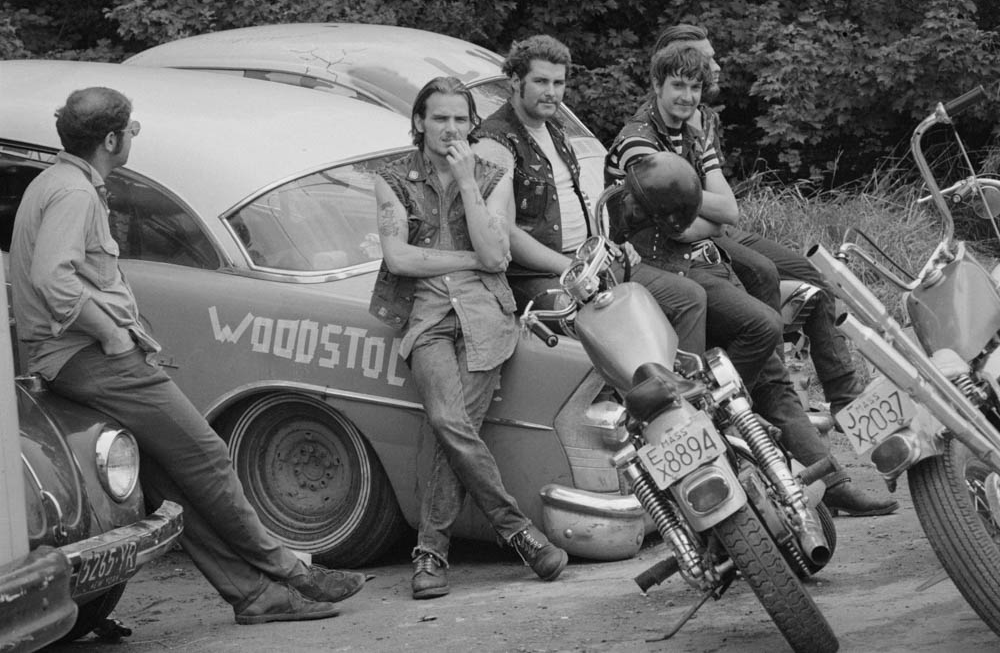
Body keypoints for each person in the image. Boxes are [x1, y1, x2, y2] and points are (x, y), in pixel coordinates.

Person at [9, 87, 366, 625]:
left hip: (72, 360)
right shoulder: (73, 194)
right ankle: (292, 570)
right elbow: (53, 279)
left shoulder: (56, 183)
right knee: (207, 457)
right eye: (130, 129)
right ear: (111, 139)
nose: (134, 135)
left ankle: (255, 595)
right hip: (91, 358)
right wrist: (108, 332)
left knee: (174, 479)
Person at [605, 48, 897, 516]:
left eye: (695, 88)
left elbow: (727, 213)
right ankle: (714, 422)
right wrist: (709, 218)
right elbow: (685, 226)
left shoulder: (691, 132)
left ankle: (833, 477)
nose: (687, 96)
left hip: (698, 258)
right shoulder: (639, 143)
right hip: (661, 266)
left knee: (789, 340)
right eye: (677, 86)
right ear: (656, 86)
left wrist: (707, 215)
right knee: (761, 329)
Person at [369, 76, 568, 600]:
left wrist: (466, 184)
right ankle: (517, 530)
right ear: (419, 122)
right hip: (427, 318)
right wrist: (470, 260)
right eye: (440, 118)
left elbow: (497, 255)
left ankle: (430, 555)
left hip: (486, 317)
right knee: (445, 419)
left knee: (451, 434)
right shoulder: (390, 177)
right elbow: (400, 258)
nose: (451, 128)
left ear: (472, 124)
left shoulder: (493, 173)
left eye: (461, 119)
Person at [652, 23, 865, 418]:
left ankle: (847, 400)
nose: (716, 65)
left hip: (720, 227)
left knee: (814, 274)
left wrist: (716, 211)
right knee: (763, 270)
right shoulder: (658, 122)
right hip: (695, 240)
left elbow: (720, 202)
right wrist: (714, 212)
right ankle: (775, 391)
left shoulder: (705, 118)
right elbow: (676, 205)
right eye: (705, 58)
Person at [472, 34, 708, 356]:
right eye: (541, 81)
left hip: (587, 261)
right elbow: (505, 232)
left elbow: (582, 203)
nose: (552, 92)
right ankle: (619, 400)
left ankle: (680, 393)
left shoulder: (554, 129)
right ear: (514, 80)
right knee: (603, 320)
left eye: (559, 82)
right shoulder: (495, 142)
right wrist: (571, 267)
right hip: (537, 274)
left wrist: (608, 245)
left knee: (689, 298)